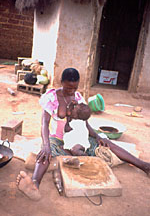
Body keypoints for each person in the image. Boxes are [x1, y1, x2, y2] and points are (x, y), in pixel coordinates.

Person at [16, 68, 150, 201]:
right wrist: (46, 145)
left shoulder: (78, 98)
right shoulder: (51, 97)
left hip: (76, 137)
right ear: (61, 82)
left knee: (106, 142)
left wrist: (97, 137)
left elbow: (84, 123)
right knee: (45, 152)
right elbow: (44, 123)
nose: (72, 91)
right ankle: (34, 184)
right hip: (56, 139)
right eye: (68, 88)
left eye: (75, 88)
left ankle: (144, 166)